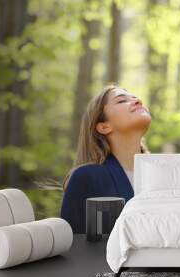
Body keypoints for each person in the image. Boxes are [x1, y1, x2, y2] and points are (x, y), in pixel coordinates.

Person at [61, 83, 151, 233]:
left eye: (136, 98)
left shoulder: (167, 175)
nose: (138, 101)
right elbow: (73, 247)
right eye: (122, 100)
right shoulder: (87, 178)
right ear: (103, 127)